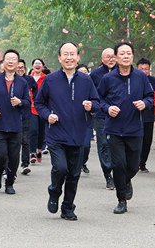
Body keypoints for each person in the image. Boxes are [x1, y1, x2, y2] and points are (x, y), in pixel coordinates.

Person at [34, 42, 99, 221]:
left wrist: (91, 105)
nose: (69, 57)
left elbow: (97, 102)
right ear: (59, 58)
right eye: (65, 54)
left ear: (78, 57)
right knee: (60, 168)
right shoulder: (50, 80)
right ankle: (54, 191)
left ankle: (68, 207)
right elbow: (39, 103)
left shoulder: (86, 80)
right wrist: (48, 116)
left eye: (72, 54)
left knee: (74, 174)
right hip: (56, 134)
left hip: (78, 134)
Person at [96, 42, 154, 214]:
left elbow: (150, 96)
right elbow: (98, 100)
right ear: (116, 57)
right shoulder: (108, 79)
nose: (126, 56)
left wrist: (144, 103)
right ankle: (121, 200)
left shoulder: (140, 77)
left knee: (133, 165)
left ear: (132, 56)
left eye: (129, 53)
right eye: (122, 53)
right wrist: (108, 108)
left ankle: (126, 180)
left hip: (135, 129)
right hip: (114, 130)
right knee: (118, 164)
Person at [0, 49, 32, 195]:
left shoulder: (23, 82)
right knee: (1, 154)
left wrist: (20, 102)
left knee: (14, 157)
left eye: (14, 59)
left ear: (18, 63)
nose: (10, 62)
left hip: (16, 125)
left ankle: (10, 182)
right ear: (3, 62)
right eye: (8, 59)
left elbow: (28, 102)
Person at [89, 47, 116, 190]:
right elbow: (92, 94)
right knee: (104, 145)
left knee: (118, 145)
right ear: (102, 59)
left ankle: (119, 174)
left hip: (120, 115)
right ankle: (108, 176)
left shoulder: (124, 72)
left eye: (113, 56)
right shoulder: (95, 75)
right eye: (107, 57)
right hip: (101, 115)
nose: (111, 59)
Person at [136, 58, 155, 173]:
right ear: (137, 69)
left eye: (146, 69)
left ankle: (142, 163)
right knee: (135, 140)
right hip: (134, 116)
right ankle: (134, 162)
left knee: (147, 141)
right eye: (141, 69)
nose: (144, 71)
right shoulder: (132, 79)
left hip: (148, 116)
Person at [29, 58, 48, 165]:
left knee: (41, 131)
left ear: (43, 67)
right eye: (35, 63)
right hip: (31, 108)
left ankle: (39, 149)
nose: (37, 65)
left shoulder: (46, 79)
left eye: (39, 64)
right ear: (32, 66)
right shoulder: (28, 79)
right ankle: (32, 152)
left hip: (42, 108)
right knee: (34, 130)